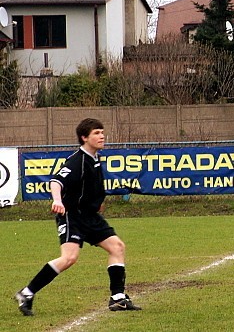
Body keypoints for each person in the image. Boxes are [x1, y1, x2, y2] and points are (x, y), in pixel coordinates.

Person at [15, 118, 141, 316]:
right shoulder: (77, 161)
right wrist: (57, 200)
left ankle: (118, 298)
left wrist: (97, 201)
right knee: (69, 258)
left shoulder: (95, 158)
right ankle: (27, 293)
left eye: (102, 132)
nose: (102, 136)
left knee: (117, 247)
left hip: (90, 216)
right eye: (96, 133)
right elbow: (56, 181)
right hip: (71, 216)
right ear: (84, 138)